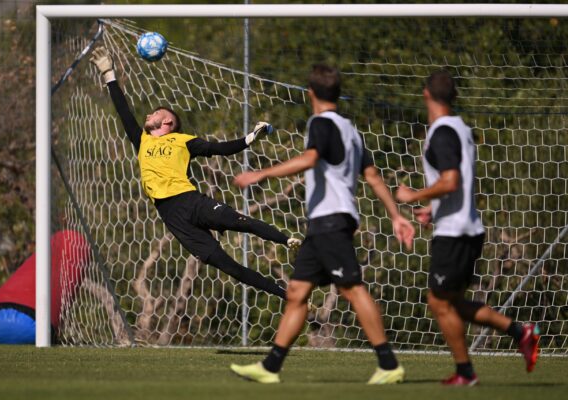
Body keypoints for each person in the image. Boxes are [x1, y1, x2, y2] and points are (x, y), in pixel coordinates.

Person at [229, 64, 415, 384]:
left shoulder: (320, 122)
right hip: (321, 224)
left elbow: (310, 159)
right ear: (338, 94)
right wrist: (396, 215)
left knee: (353, 290)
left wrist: (262, 173)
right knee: (298, 293)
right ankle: (270, 367)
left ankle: (388, 364)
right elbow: (371, 175)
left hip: (331, 220)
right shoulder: (350, 130)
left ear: (310, 93)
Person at [90, 47, 301, 300]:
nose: (149, 114)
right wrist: (109, 74)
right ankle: (284, 294)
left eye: (156, 113)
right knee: (228, 266)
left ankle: (285, 240)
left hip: (190, 201)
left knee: (239, 222)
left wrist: (250, 137)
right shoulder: (142, 141)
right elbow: (124, 113)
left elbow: (220, 149)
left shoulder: (183, 141)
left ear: (167, 122)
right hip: (171, 216)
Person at [395, 69, 540, 386]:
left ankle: (465, 373)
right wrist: (431, 209)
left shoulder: (443, 132)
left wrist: (412, 195)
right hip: (464, 226)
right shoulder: (460, 128)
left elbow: (450, 180)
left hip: (456, 233)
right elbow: (456, 182)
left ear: (426, 95)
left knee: (437, 302)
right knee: (455, 304)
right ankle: (521, 331)